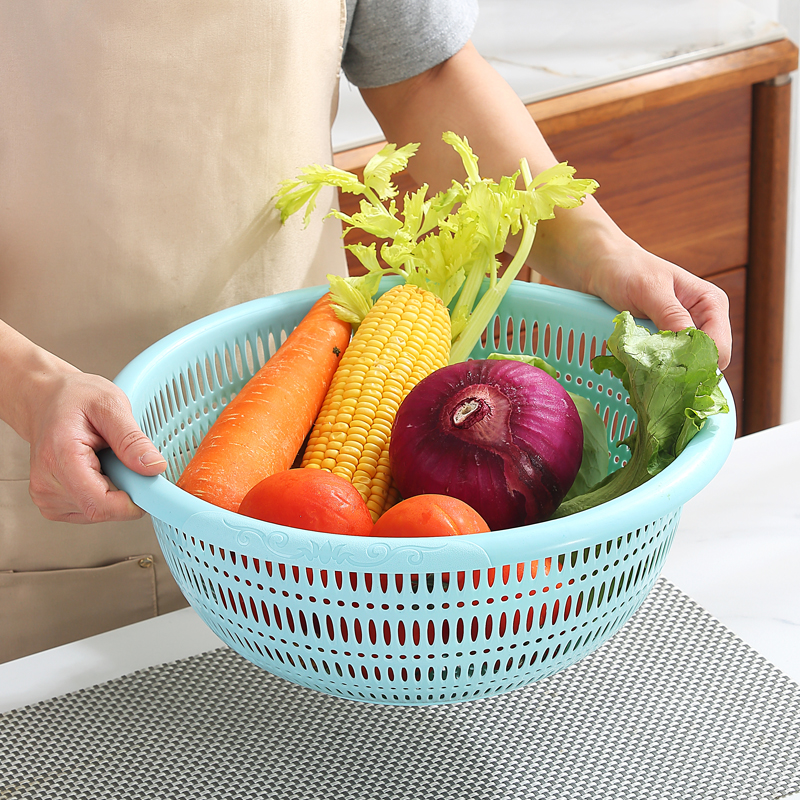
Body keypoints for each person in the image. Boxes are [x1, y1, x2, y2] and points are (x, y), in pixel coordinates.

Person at [0, 0, 730, 663]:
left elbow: (425, 76)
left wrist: (600, 249)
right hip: (39, 468)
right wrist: (31, 389)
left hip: (312, 446)